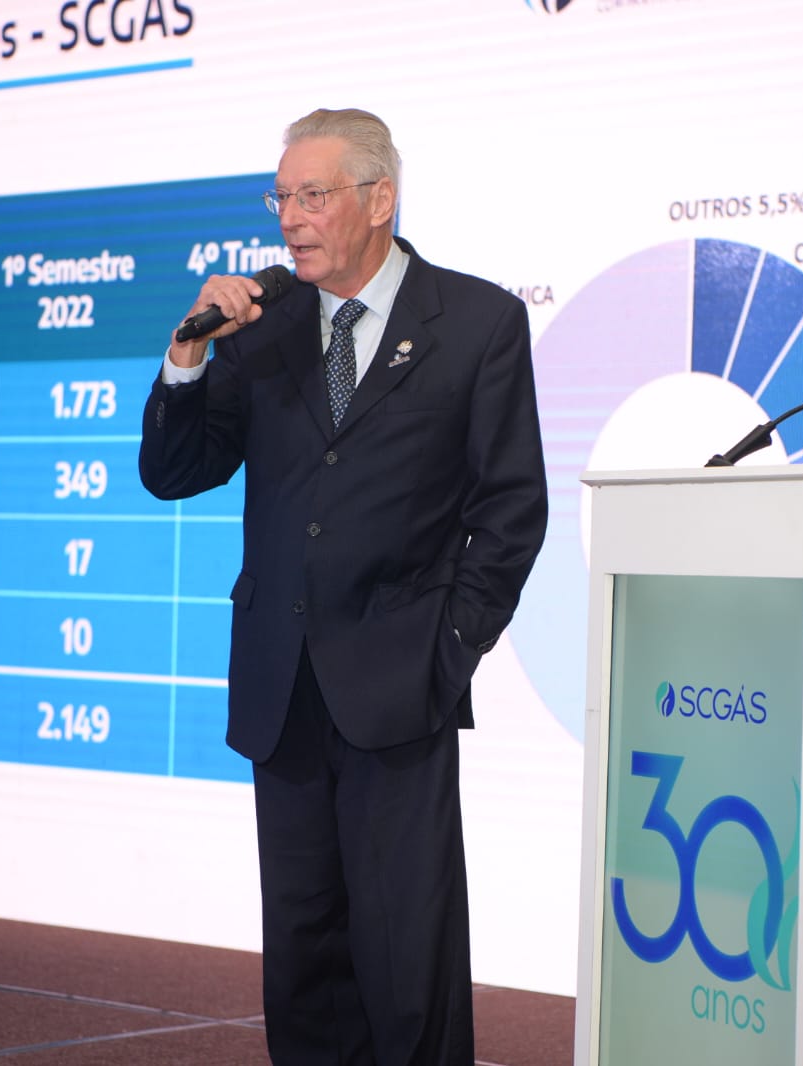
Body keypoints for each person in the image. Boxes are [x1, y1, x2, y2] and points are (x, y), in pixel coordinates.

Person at [139, 108, 548, 1065]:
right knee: (304, 958)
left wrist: (447, 648)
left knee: (408, 961)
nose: (290, 218)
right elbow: (174, 471)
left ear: (379, 198)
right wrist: (188, 353)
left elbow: (511, 511)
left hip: (400, 689)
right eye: (280, 197)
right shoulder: (263, 329)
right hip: (280, 690)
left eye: (313, 195)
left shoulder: (476, 323)